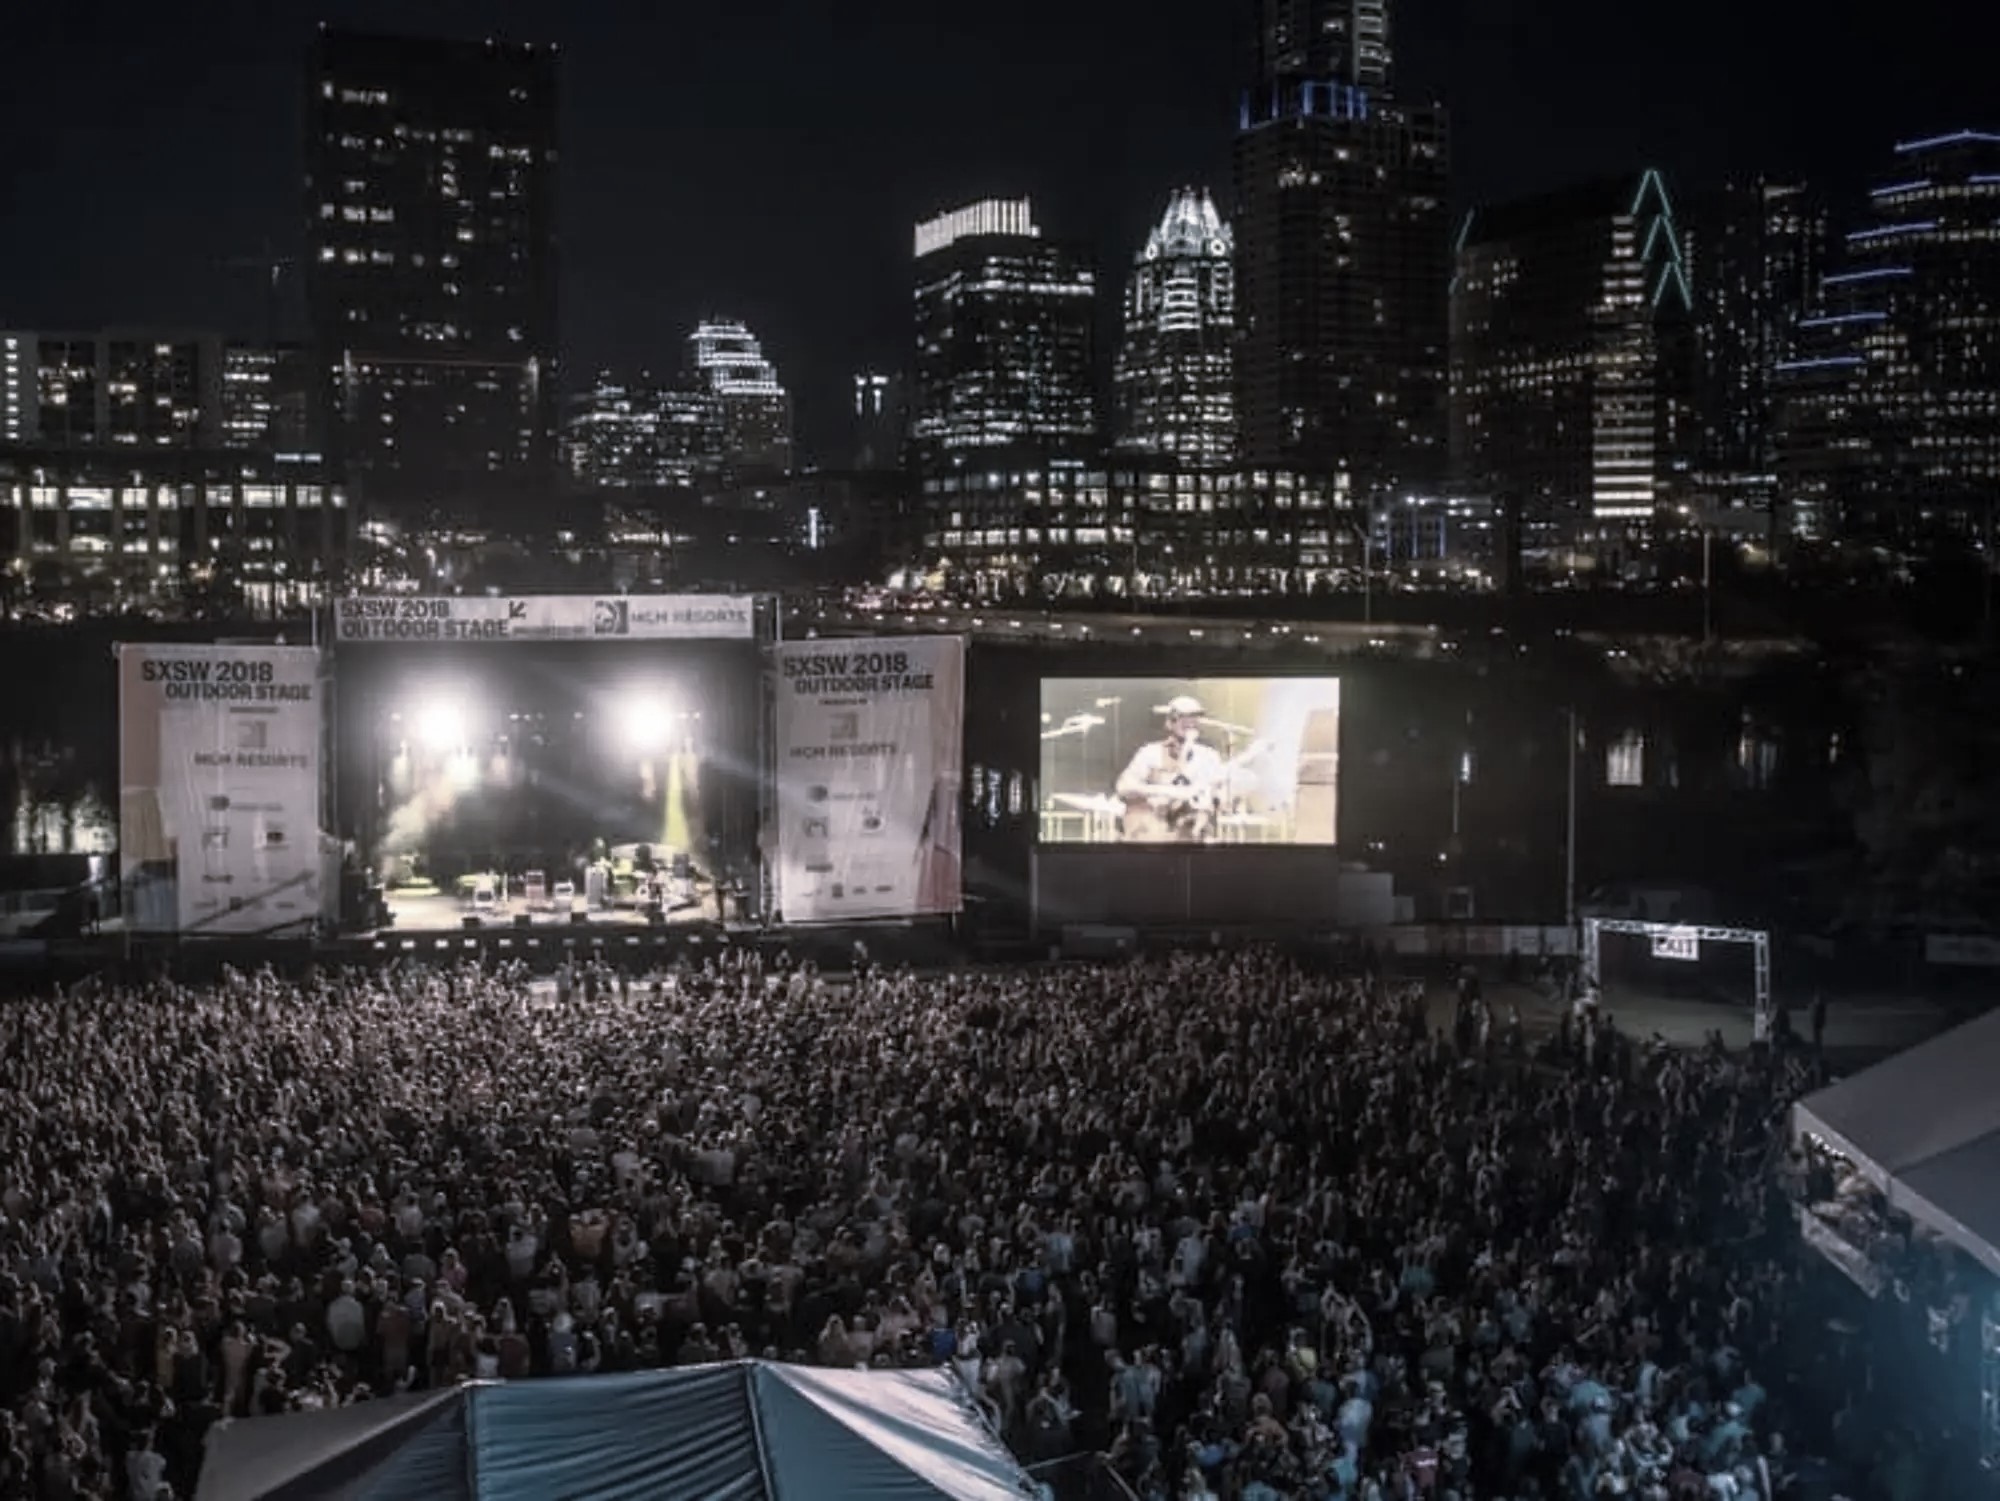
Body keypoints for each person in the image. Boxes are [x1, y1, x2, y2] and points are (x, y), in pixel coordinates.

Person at [1115, 695, 1227, 842]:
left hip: (1191, 835)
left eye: (1194, 717)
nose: (1190, 722)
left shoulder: (1209, 757)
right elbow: (1123, 787)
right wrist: (1166, 791)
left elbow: (1220, 796)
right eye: (1182, 718)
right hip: (1152, 834)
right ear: (1169, 723)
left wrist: (1212, 800)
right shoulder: (1150, 752)